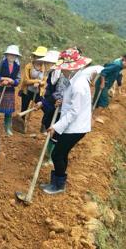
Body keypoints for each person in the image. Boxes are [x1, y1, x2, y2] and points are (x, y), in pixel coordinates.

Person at [40, 48, 92, 195]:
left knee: (57, 154)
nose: (62, 71)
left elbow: (74, 112)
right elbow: (73, 104)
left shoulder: (78, 85)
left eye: (64, 68)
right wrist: (64, 101)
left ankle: (58, 185)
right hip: (74, 125)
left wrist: (56, 127)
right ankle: (56, 182)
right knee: (62, 153)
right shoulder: (76, 79)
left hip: (76, 127)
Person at [33, 50, 64, 164]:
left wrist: (57, 100)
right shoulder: (52, 73)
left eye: (50, 63)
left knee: (57, 131)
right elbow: (49, 90)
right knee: (49, 125)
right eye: (47, 62)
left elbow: (62, 92)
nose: (47, 65)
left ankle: (52, 157)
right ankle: (48, 154)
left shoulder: (63, 74)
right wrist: (43, 102)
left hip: (62, 107)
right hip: (52, 103)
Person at [0, 45, 21, 135]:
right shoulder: (0, 63)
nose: (12, 56)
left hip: (9, 90)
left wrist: (12, 81)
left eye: (14, 55)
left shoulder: (17, 66)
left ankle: (7, 127)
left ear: (16, 56)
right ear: (7, 55)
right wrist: (2, 79)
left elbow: (18, 79)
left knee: (9, 110)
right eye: (10, 54)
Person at [19, 46, 48, 117]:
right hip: (27, 91)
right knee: (24, 110)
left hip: (38, 93)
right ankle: (21, 126)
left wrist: (40, 83)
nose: (39, 59)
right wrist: (36, 81)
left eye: (41, 57)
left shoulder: (45, 68)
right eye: (38, 56)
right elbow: (25, 81)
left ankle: (43, 126)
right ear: (34, 57)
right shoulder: (28, 66)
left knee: (45, 108)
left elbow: (45, 81)